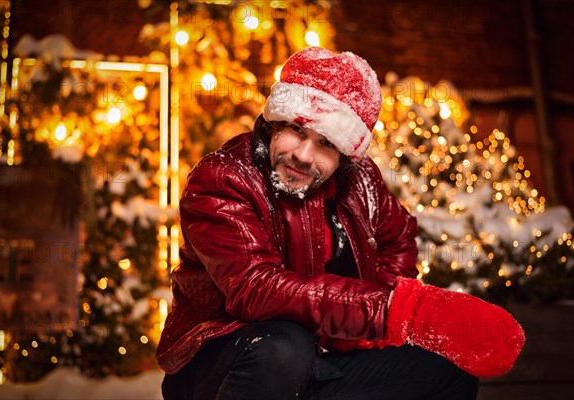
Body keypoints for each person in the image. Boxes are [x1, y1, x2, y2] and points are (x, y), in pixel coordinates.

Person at [157, 47, 525, 400]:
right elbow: (255, 289)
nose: (303, 155)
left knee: (446, 372)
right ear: (273, 124)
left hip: (321, 357)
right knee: (286, 346)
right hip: (225, 365)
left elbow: (398, 237)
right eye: (297, 131)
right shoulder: (223, 178)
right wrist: (392, 310)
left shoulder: (361, 179)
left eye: (326, 144)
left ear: (345, 155)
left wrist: (367, 331)